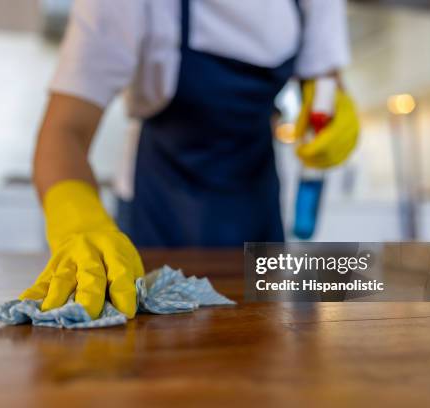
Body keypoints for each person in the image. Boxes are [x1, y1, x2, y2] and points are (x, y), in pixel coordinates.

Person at [20, 0, 360, 319]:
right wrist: (79, 222)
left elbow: (325, 79)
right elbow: (65, 131)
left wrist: (334, 109)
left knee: (264, 338)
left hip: (256, 197)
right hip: (159, 199)